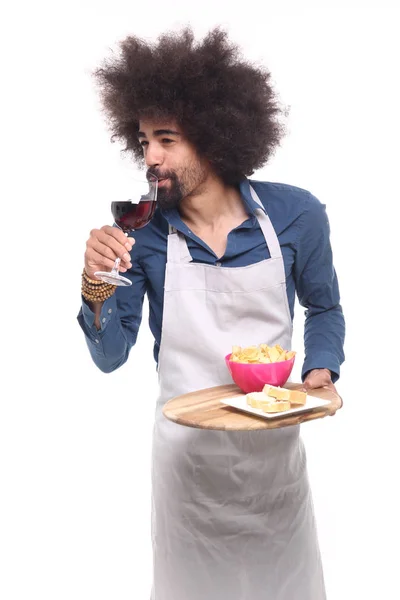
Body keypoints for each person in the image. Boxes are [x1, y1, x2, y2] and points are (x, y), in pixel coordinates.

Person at [77, 26, 345, 600]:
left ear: (215, 135)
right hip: (187, 478)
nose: (148, 157)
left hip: (274, 469)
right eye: (143, 139)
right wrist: (95, 286)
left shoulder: (296, 215)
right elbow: (109, 357)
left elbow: (324, 307)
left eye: (165, 139)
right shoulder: (142, 236)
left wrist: (321, 369)